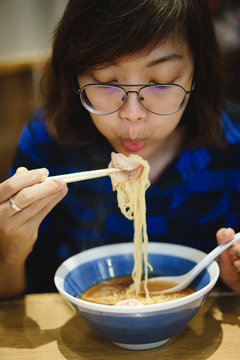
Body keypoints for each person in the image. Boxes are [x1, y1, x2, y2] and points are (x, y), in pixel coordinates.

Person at [0, 0, 240, 298]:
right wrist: (8, 252)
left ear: (196, 72)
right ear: (74, 73)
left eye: (162, 82)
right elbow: (21, 299)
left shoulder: (233, 144)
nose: (132, 114)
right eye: (106, 82)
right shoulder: (47, 143)